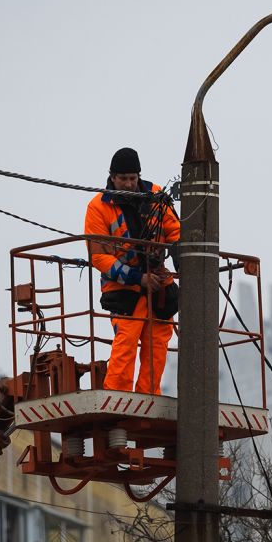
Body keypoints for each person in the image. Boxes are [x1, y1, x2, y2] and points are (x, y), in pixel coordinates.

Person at [84, 147, 180, 393]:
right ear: (112, 177)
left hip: (157, 279)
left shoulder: (156, 195)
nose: (128, 183)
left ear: (139, 176)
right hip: (122, 285)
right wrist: (138, 278)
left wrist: (183, 261)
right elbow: (99, 257)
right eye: (123, 178)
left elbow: (176, 232)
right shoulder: (98, 207)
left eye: (132, 178)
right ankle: (118, 396)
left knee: (158, 341)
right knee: (126, 339)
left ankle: (149, 394)